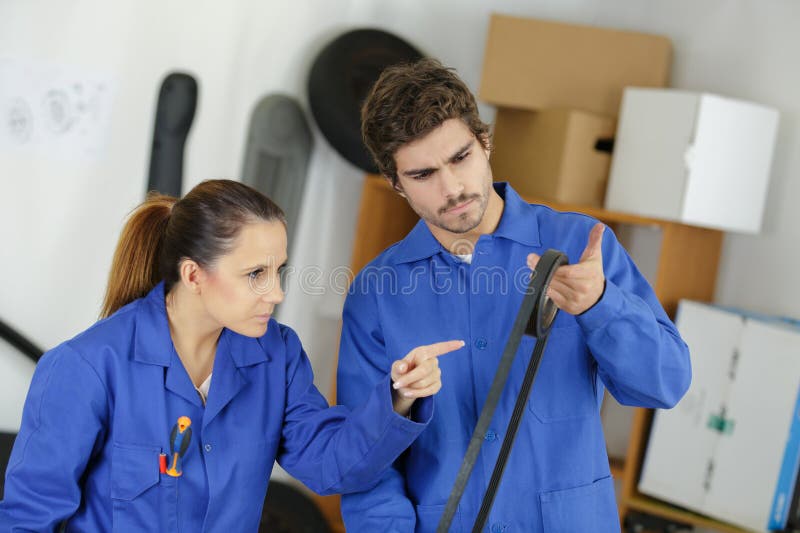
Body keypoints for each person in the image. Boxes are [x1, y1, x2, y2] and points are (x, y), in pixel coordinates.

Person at [336, 58, 692, 532]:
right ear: (396, 185)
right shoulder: (376, 294)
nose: (453, 188)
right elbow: (363, 461)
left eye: (460, 158)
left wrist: (601, 306)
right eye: (423, 175)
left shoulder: (579, 247)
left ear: (485, 142)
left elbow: (663, 385)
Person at [0, 179, 463, 531]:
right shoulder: (86, 369)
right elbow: (28, 519)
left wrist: (398, 396)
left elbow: (329, 464)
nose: (277, 293)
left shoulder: (276, 357)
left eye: (279, 271)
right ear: (194, 275)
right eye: (255, 274)